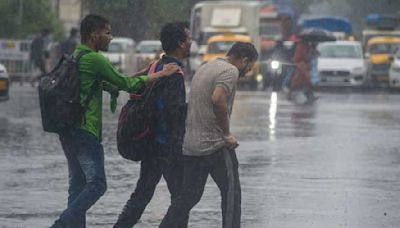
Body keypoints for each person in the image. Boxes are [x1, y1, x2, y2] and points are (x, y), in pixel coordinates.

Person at [50, 14, 180, 228]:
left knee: (78, 185)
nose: (111, 38)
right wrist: (162, 73)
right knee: (97, 185)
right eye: (107, 33)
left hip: (69, 130)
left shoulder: (78, 56)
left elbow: (115, 82)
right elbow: (126, 84)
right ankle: (61, 225)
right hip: (85, 131)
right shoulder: (95, 59)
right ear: (94, 35)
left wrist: (148, 72)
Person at [159, 42, 258, 228]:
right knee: (231, 195)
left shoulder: (206, 67)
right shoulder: (230, 71)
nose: (248, 71)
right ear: (244, 61)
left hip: (192, 146)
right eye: (249, 67)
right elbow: (218, 99)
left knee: (188, 196)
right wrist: (227, 134)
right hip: (216, 146)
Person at [113, 22, 192, 228]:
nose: (191, 42)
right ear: (181, 44)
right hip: (165, 146)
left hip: (150, 143)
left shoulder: (157, 65)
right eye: (189, 39)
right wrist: (192, 109)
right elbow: (172, 113)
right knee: (182, 198)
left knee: (143, 194)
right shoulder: (173, 73)